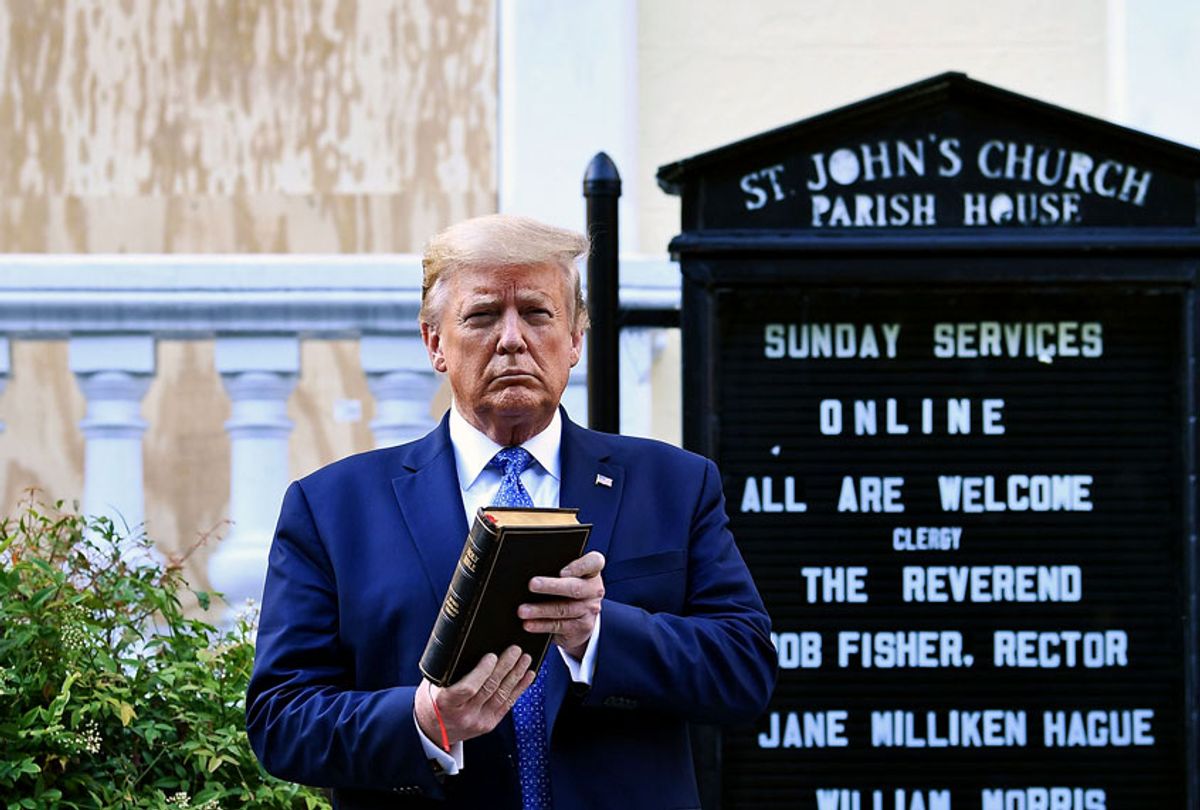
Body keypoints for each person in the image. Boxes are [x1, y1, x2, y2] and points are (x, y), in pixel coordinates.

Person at [246, 214, 776, 809]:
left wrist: (596, 634)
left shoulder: (675, 485)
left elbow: (745, 668)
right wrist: (423, 720)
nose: (512, 338)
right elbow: (280, 720)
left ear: (575, 339)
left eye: (537, 312)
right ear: (434, 343)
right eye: (481, 316)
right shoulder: (332, 508)